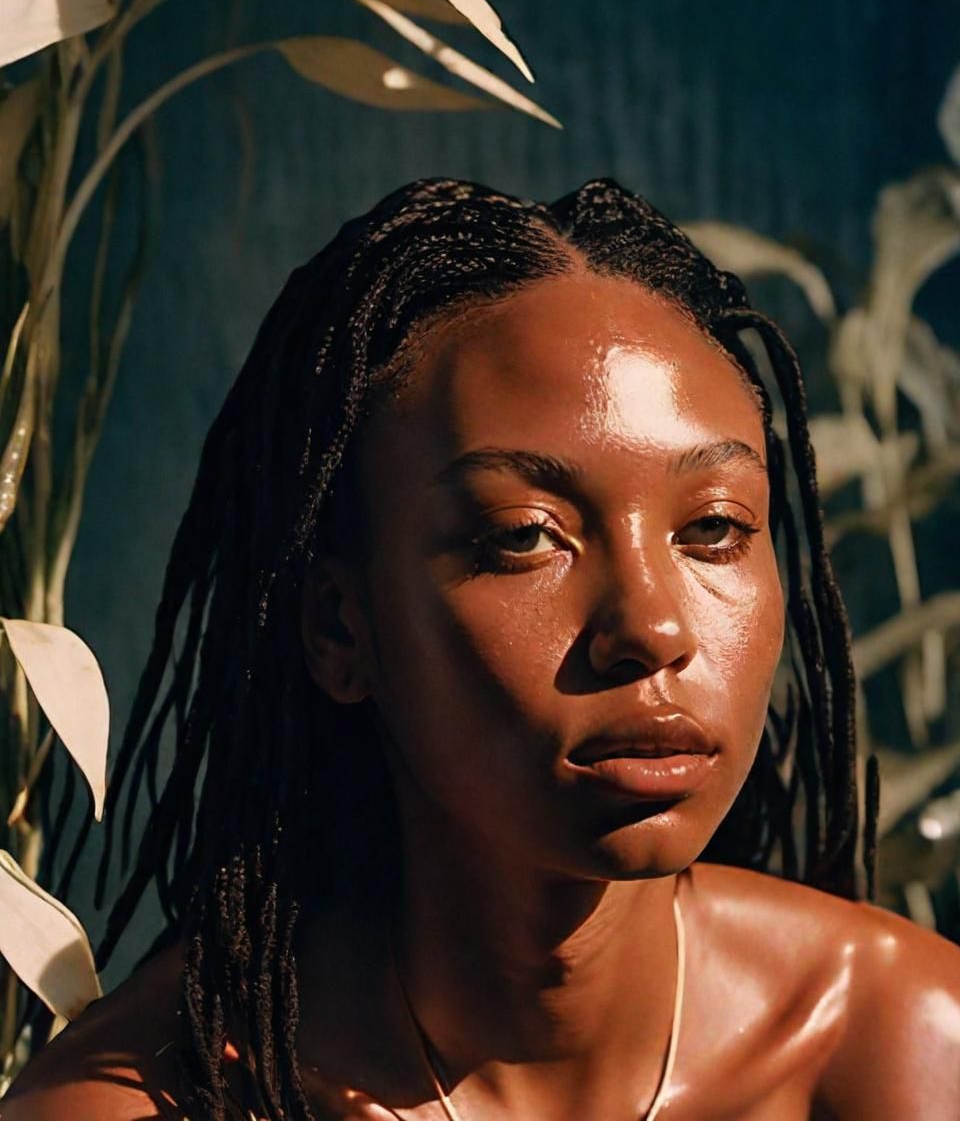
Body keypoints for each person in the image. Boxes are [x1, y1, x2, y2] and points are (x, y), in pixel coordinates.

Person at [5, 178, 960, 1121]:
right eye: (523, 537)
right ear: (342, 627)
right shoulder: (158, 1103)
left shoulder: (906, 1045)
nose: (654, 629)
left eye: (713, 528)